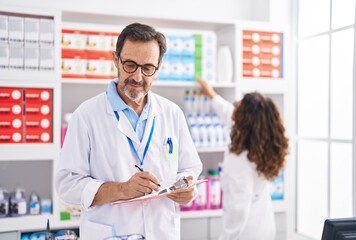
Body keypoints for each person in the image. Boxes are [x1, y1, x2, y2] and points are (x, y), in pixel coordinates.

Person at [55, 23, 202, 240]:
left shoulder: (172, 113)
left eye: (148, 68)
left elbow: (190, 168)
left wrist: (186, 188)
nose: (138, 77)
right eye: (130, 65)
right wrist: (122, 189)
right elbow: (67, 185)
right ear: (116, 60)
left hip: (161, 232)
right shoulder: (86, 116)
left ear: (158, 67)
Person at [198, 78, 289, 240]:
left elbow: (238, 210)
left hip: (244, 233)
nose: (233, 109)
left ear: (243, 120)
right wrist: (212, 95)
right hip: (265, 226)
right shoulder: (261, 145)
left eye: (237, 108)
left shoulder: (239, 160)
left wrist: (225, 238)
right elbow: (229, 114)